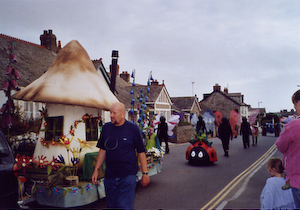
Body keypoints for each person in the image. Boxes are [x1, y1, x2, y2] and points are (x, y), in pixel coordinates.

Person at [91, 102, 150, 209]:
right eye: (110, 112)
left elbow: (141, 151)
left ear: (123, 114)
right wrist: (96, 169)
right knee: (111, 206)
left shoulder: (133, 129)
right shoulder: (106, 128)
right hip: (110, 177)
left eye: (114, 113)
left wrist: (145, 173)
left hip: (127, 176)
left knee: (124, 206)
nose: (111, 115)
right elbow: (102, 150)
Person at [276, 89, 300, 208]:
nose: (295, 109)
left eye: (295, 105)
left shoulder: (294, 125)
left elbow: (280, 145)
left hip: (297, 180)